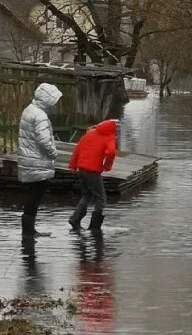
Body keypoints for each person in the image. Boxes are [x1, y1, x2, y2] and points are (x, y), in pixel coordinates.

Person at [17, 83, 63, 239]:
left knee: (32, 194)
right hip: (37, 162)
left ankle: (29, 229)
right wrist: (53, 153)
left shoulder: (29, 110)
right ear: (48, 100)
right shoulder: (41, 116)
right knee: (35, 196)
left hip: (29, 160)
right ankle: (29, 231)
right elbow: (44, 141)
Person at [68, 119, 118, 231]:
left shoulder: (89, 133)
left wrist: (73, 165)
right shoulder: (110, 137)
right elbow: (111, 152)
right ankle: (94, 228)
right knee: (101, 198)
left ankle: (75, 219)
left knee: (86, 195)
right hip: (93, 171)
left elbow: (77, 149)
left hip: (81, 169)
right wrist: (107, 166)